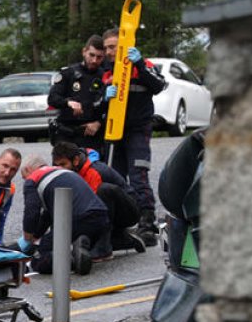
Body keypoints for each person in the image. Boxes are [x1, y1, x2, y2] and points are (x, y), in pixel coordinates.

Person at [102, 28, 167, 246]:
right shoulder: (106, 71)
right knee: (116, 178)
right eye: (107, 48)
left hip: (139, 129)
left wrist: (139, 63)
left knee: (138, 176)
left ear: (123, 45)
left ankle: (147, 224)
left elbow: (159, 86)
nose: (110, 52)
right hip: (115, 131)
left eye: (113, 47)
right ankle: (121, 225)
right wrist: (103, 98)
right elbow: (94, 103)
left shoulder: (143, 65)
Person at [14, 154, 109, 276]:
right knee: (66, 237)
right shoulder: (64, 172)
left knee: (43, 251)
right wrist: (36, 235)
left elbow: (32, 211)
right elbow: (47, 216)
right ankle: (79, 245)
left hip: (77, 219)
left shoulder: (33, 179)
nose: (25, 180)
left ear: (27, 169)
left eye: (23, 177)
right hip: (101, 218)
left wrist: (27, 237)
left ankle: (69, 260)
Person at [50, 141, 145, 260]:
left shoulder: (96, 171)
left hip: (129, 211)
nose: (60, 169)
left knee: (103, 191)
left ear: (75, 160)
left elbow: (94, 210)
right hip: (106, 210)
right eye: (56, 165)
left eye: (63, 164)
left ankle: (104, 249)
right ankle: (121, 238)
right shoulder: (65, 173)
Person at [48, 36, 108, 150]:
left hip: (91, 135)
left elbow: (111, 108)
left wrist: (99, 123)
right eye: (92, 55)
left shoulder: (105, 76)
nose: (94, 60)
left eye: (99, 57)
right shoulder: (68, 73)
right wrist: (68, 102)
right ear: (84, 52)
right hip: (67, 134)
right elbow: (52, 98)